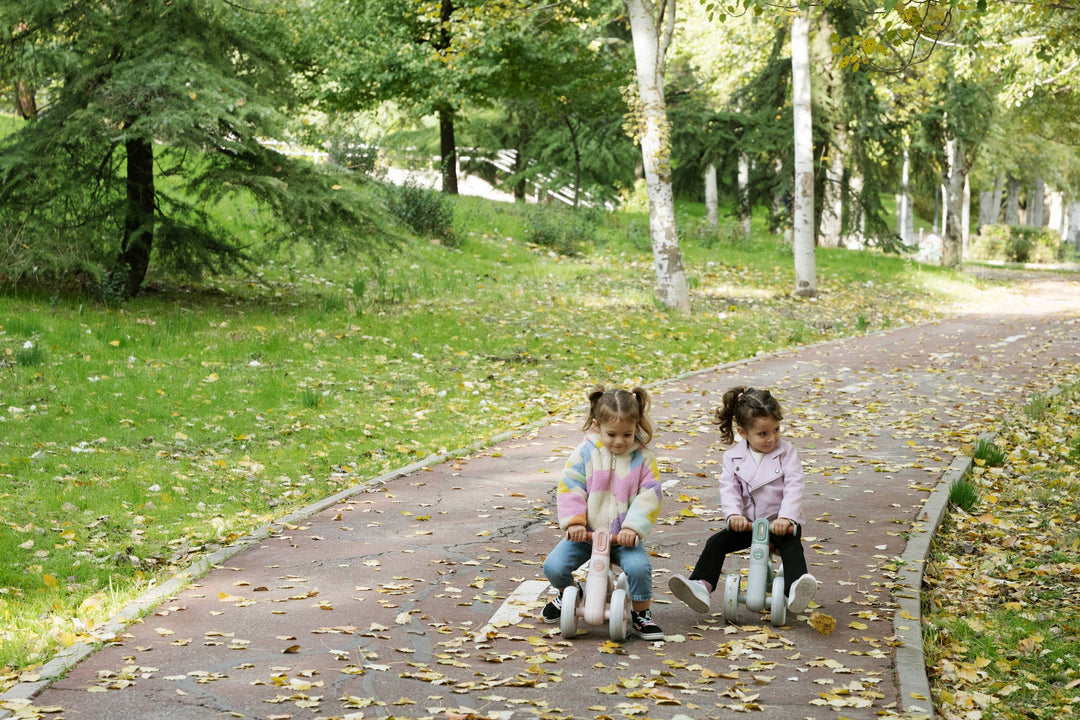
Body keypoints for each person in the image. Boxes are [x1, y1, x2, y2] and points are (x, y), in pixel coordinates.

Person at [669, 386, 818, 616]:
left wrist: (786, 517)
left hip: (779, 523)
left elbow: (794, 485)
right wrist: (734, 515)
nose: (772, 438)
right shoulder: (733, 457)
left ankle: (796, 587)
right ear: (743, 432)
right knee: (715, 543)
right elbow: (729, 488)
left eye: (776, 430)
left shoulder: (787, 453)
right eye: (763, 433)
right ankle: (700, 585)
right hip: (748, 525)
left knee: (791, 547)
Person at [541, 385, 665, 640]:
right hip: (586, 534)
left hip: (622, 536)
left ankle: (642, 614)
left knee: (639, 568)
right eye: (611, 434)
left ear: (636, 428)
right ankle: (568, 593)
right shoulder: (584, 453)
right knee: (554, 566)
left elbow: (649, 495)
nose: (619, 441)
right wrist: (575, 523)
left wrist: (632, 528)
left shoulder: (643, 459)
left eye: (627, 434)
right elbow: (570, 486)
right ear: (597, 426)